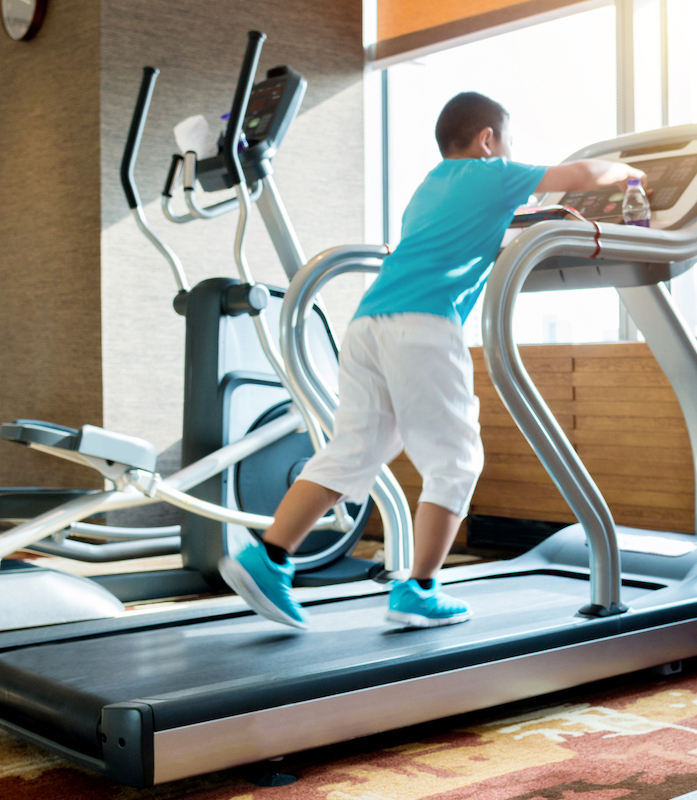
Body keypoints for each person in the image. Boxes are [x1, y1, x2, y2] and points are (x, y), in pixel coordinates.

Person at [219, 91, 646, 630]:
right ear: (489, 140)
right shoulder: (491, 172)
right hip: (422, 328)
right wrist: (629, 175)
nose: (510, 151)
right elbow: (583, 173)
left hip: (369, 322)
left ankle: (269, 556)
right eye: (506, 140)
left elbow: (461, 233)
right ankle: (418, 590)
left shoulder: (429, 187)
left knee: (356, 448)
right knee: (456, 459)